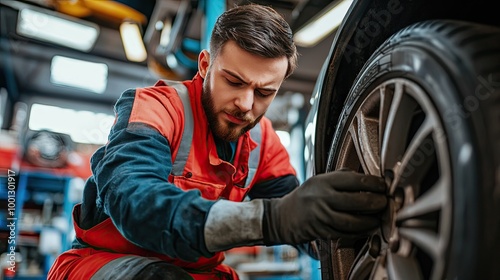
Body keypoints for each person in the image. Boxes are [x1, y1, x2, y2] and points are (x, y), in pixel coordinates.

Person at [48, 3, 387, 280]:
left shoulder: (262, 139)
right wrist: (271, 220)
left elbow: (300, 220)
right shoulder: (158, 108)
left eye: (265, 92)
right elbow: (135, 203)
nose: (246, 104)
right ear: (205, 65)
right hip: (105, 263)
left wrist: (349, 220)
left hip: (198, 272)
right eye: (234, 81)